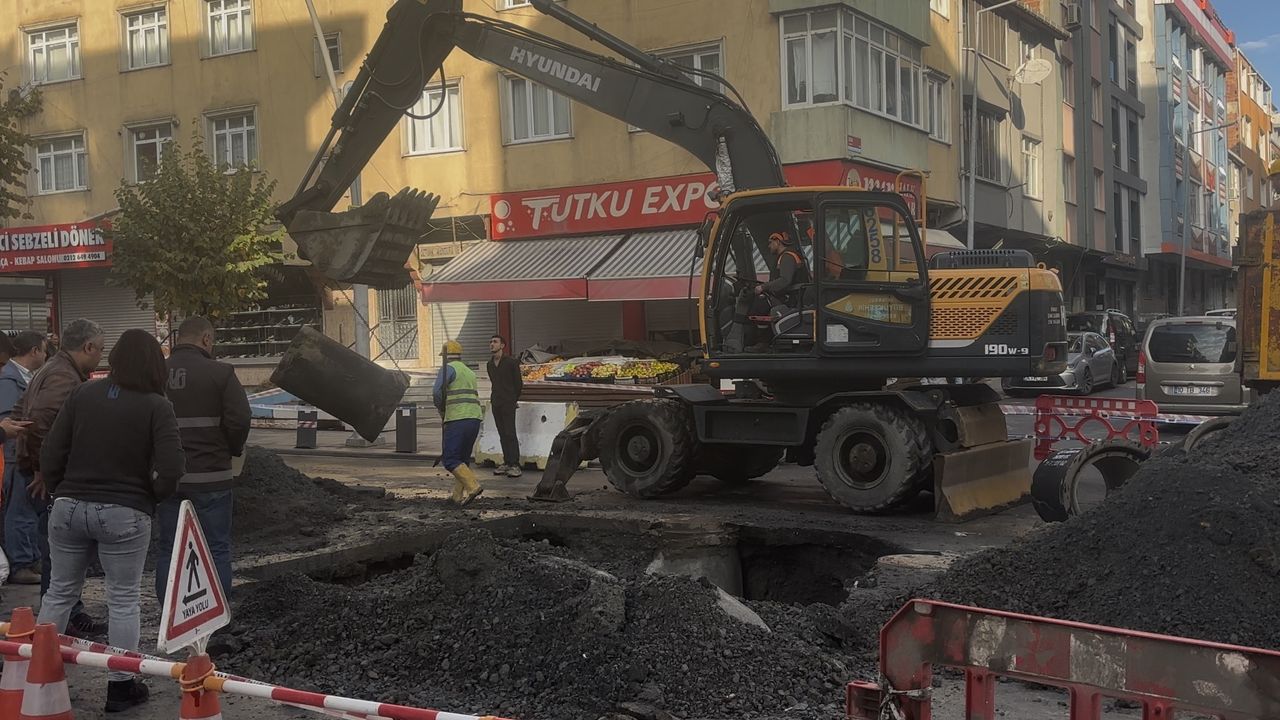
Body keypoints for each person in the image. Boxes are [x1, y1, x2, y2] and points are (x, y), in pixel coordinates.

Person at [37, 328, 184, 712]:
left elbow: (51, 451)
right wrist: (149, 497)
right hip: (124, 512)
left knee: (59, 593)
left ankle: (36, 675)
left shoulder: (83, 394)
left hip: (69, 507)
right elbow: (172, 468)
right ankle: (121, 687)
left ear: (115, 359)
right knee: (123, 600)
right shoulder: (157, 406)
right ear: (155, 366)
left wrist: (59, 489)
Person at [13, 319, 108, 638]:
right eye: (100, 350)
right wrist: (42, 469)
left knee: (57, 551)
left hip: (43, 473)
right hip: (51, 479)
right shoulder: (64, 377)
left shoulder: (51, 369)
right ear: (88, 347)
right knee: (60, 555)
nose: (101, 357)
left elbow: (21, 413)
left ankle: (67, 614)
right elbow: (39, 422)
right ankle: (63, 620)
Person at [154, 317, 250, 604]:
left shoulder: (156, 373)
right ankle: (217, 612)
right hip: (212, 477)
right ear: (206, 339)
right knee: (216, 547)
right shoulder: (221, 373)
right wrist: (231, 449)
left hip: (168, 479)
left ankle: (169, 612)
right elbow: (240, 419)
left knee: (169, 548)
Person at [1, 331, 49, 582]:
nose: (46, 355)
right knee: (19, 509)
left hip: (24, 453)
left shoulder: (25, 378)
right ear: (34, 351)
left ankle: (30, 558)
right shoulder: (9, 380)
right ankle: (21, 563)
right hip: (15, 455)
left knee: (29, 509)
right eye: (44, 350)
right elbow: (9, 420)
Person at [724, 230, 812, 353]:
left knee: (759, 304)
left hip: (791, 298)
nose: (769, 246)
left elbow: (785, 281)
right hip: (790, 295)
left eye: (770, 242)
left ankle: (763, 342)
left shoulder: (787, 257)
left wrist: (763, 288)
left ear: (778, 242)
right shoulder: (787, 256)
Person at [433, 340, 483, 506]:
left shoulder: (448, 369)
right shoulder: (469, 372)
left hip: (457, 418)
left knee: (450, 459)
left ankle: (473, 486)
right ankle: (457, 497)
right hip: (474, 418)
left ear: (445, 356)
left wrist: (441, 409)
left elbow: (437, 392)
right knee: (463, 459)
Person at [486, 335, 523, 478]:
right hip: (496, 402)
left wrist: (512, 399)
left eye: (495, 342)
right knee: (502, 433)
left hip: (508, 402)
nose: (491, 344)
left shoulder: (511, 362)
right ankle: (507, 462)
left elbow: (518, 384)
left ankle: (515, 464)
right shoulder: (489, 364)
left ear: (502, 345)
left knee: (510, 433)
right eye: (491, 342)